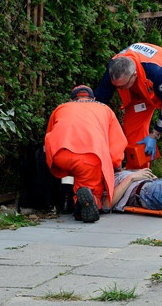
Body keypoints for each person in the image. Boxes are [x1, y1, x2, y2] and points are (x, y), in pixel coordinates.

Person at [94, 43, 162, 180]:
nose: (122, 89)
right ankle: (138, 174)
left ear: (134, 75)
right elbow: (100, 100)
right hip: (142, 88)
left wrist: (155, 135)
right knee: (132, 125)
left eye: (123, 86)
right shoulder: (114, 68)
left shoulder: (156, 71)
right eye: (118, 86)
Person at [44, 85, 127, 223]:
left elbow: (49, 134)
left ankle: (65, 199)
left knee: (73, 171)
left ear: (72, 99)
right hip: (89, 156)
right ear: (93, 98)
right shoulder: (105, 109)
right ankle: (82, 207)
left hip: (59, 154)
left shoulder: (61, 107)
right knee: (91, 190)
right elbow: (115, 147)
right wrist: (116, 166)